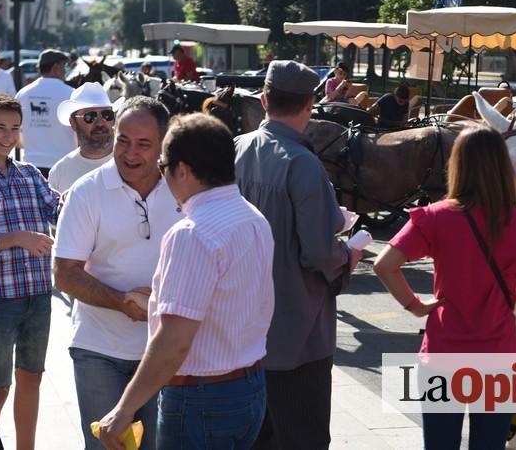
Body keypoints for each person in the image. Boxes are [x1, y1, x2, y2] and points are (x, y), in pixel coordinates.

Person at [96, 113, 275, 449]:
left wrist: (124, 409)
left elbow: (174, 342)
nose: (162, 176)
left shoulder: (192, 233)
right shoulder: (253, 217)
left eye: (163, 165)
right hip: (249, 388)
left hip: (201, 398)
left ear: (182, 170)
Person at [373, 125, 516, 450]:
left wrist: (415, 306)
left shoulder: (436, 218)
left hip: (443, 355)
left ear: (458, 165)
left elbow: (383, 265)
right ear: (502, 167)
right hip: (499, 360)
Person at [234, 60, 361, 450]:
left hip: (242, 330)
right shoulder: (303, 164)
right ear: (310, 104)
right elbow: (320, 254)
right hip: (298, 334)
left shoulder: (237, 150)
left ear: (263, 99)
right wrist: (349, 253)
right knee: (301, 437)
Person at [52, 96, 180, 450]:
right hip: (98, 350)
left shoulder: (184, 188)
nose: (130, 153)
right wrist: (122, 301)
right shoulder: (86, 192)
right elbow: (64, 273)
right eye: (123, 140)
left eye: (143, 144)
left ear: (163, 145)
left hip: (166, 351)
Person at [0, 93, 59, 450]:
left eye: (14, 128)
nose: (8, 135)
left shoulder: (30, 174)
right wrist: (15, 238)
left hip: (38, 296)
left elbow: (61, 209)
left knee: (32, 378)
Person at [16, 49, 76, 176]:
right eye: (63, 66)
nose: (65, 71)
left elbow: (15, 133)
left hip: (31, 164)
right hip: (64, 163)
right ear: (55, 67)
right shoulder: (72, 94)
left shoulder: (23, 94)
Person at [48, 82, 115, 193]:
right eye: (90, 116)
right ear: (73, 123)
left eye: (107, 114)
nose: (100, 123)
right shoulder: (59, 172)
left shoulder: (131, 162)